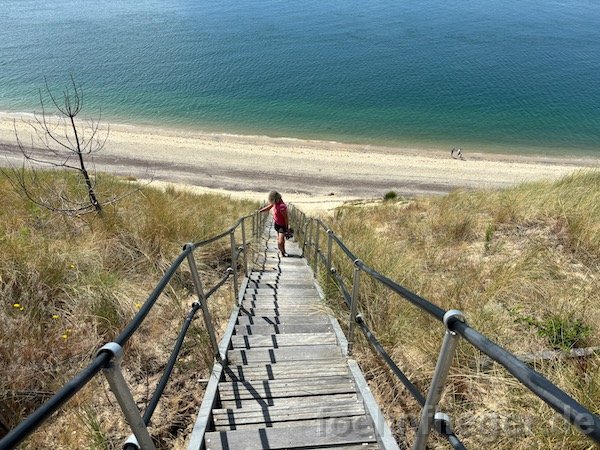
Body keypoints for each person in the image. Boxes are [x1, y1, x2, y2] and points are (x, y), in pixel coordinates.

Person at [259, 191, 289, 257]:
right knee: (280, 240)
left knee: (280, 242)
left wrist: (286, 227)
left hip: (282, 226)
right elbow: (268, 207)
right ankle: (283, 252)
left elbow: (286, 218)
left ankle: (283, 251)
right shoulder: (275, 203)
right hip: (276, 224)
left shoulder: (282, 206)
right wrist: (260, 211)